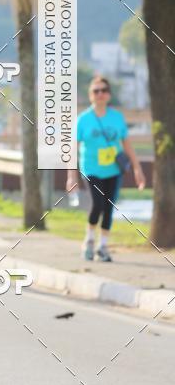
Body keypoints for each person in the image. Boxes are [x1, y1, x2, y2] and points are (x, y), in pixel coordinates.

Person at [66, 75, 146, 262]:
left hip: (113, 169)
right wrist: (71, 176)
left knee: (109, 206)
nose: (100, 94)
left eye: (104, 90)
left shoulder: (117, 118)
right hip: (91, 168)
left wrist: (137, 168)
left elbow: (126, 144)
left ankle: (103, 246)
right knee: (97, 204)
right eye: (96, 91)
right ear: (91, 95)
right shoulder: (83, 120)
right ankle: (89, 240)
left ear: (109, 95)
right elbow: (73, 149)